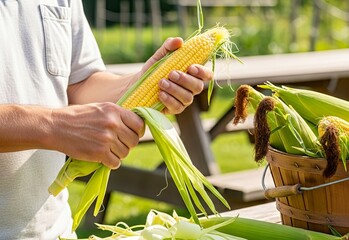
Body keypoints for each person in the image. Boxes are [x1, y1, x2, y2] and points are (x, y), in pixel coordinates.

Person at [0, 1, 213, 239]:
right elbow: (57, 120)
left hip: (54, 230)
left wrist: (145, 82)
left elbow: (80, 83)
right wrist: (52, 125)